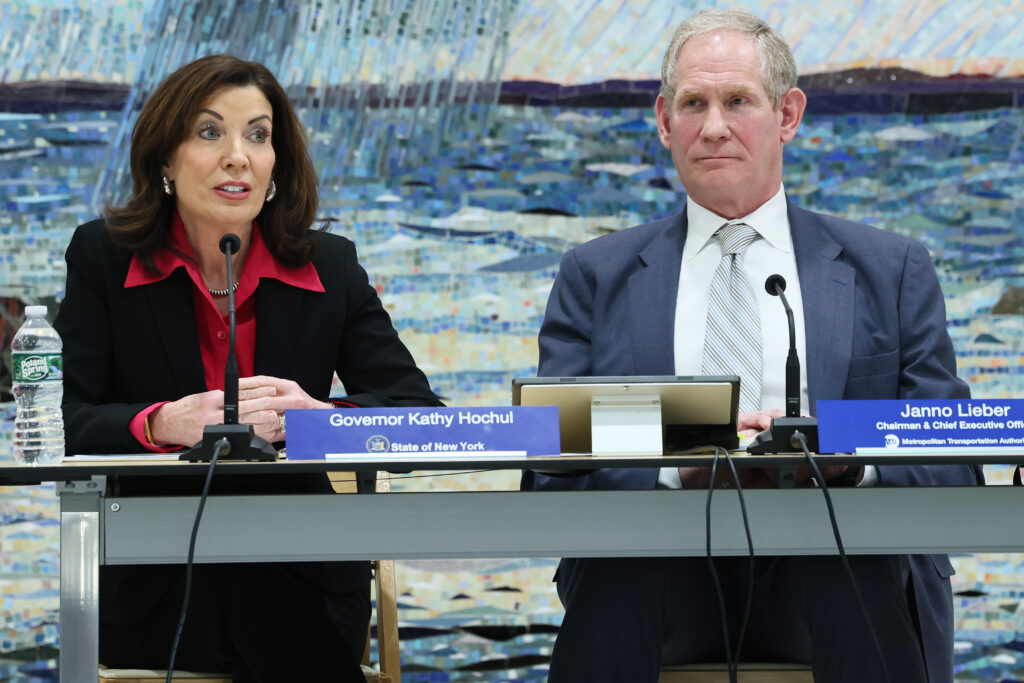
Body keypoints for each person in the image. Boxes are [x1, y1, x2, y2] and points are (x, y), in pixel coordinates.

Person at [522, 9, 982, 683]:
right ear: (662, 121)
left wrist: (849, 467)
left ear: (788, 115)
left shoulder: (892, 269)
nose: (712, 126)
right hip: (660, 574)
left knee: (844, 557)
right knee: (626, 568)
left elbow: (955, 468)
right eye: (693, 103)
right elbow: (548, 473)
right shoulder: (595, 276)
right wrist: (675, 466)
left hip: (835, 573)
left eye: (738, 100)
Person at [55, 54, 442, 682]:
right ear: (163, 160)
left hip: (302, 572)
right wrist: (162, 425)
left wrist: (321, 421)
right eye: (210, 132)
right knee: (237, 581)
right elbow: (63, 421)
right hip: (159, 584)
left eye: (258, 136)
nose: (238, 155)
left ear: (275, 166)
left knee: (254, 581)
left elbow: (421, 420)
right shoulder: (103, 258)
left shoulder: (331, 267)